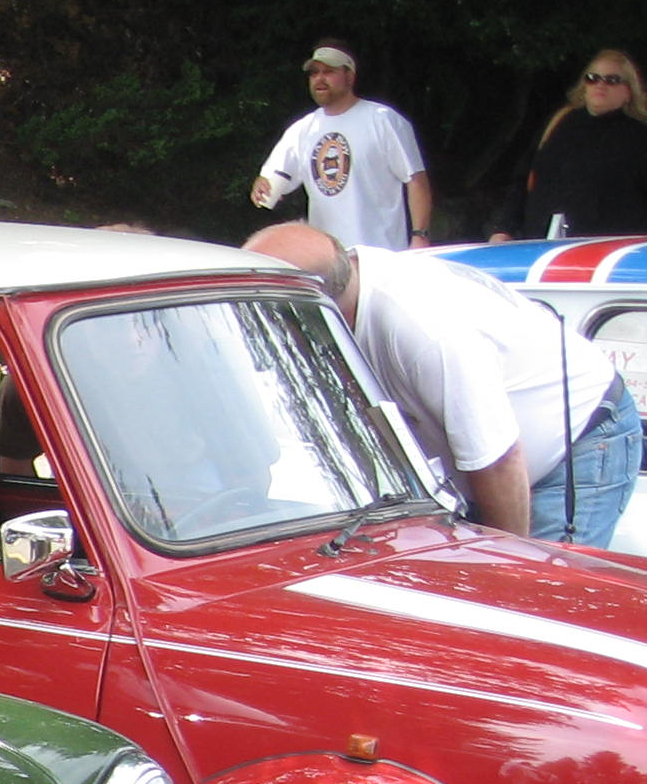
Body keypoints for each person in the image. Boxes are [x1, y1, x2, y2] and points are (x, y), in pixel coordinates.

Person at [247, 222, 639, 543]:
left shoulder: (422, 330)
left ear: (311, 308)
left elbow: (499, 460)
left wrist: (503, 568)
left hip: (579, 440)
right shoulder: (346, 305)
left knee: (539, 605)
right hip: (484, 471)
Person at [252, 45, 434, 254]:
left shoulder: (382, 119)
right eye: (314, 73)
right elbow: (273, 180)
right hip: (329, 260)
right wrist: (263, 185)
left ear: (350, 77)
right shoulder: (303, 129)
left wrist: (420, 237)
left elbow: (416, 180)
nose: (319, 79)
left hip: (380, 255)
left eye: (329, 72)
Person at [490, 49, 647, 242]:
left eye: (612, 80)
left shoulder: (639, 136)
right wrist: (504, 228)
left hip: (609, 252)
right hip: (543, 246)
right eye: (592, 78)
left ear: (629, 91)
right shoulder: (559, 122)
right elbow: (523, 181)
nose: (600, 85)